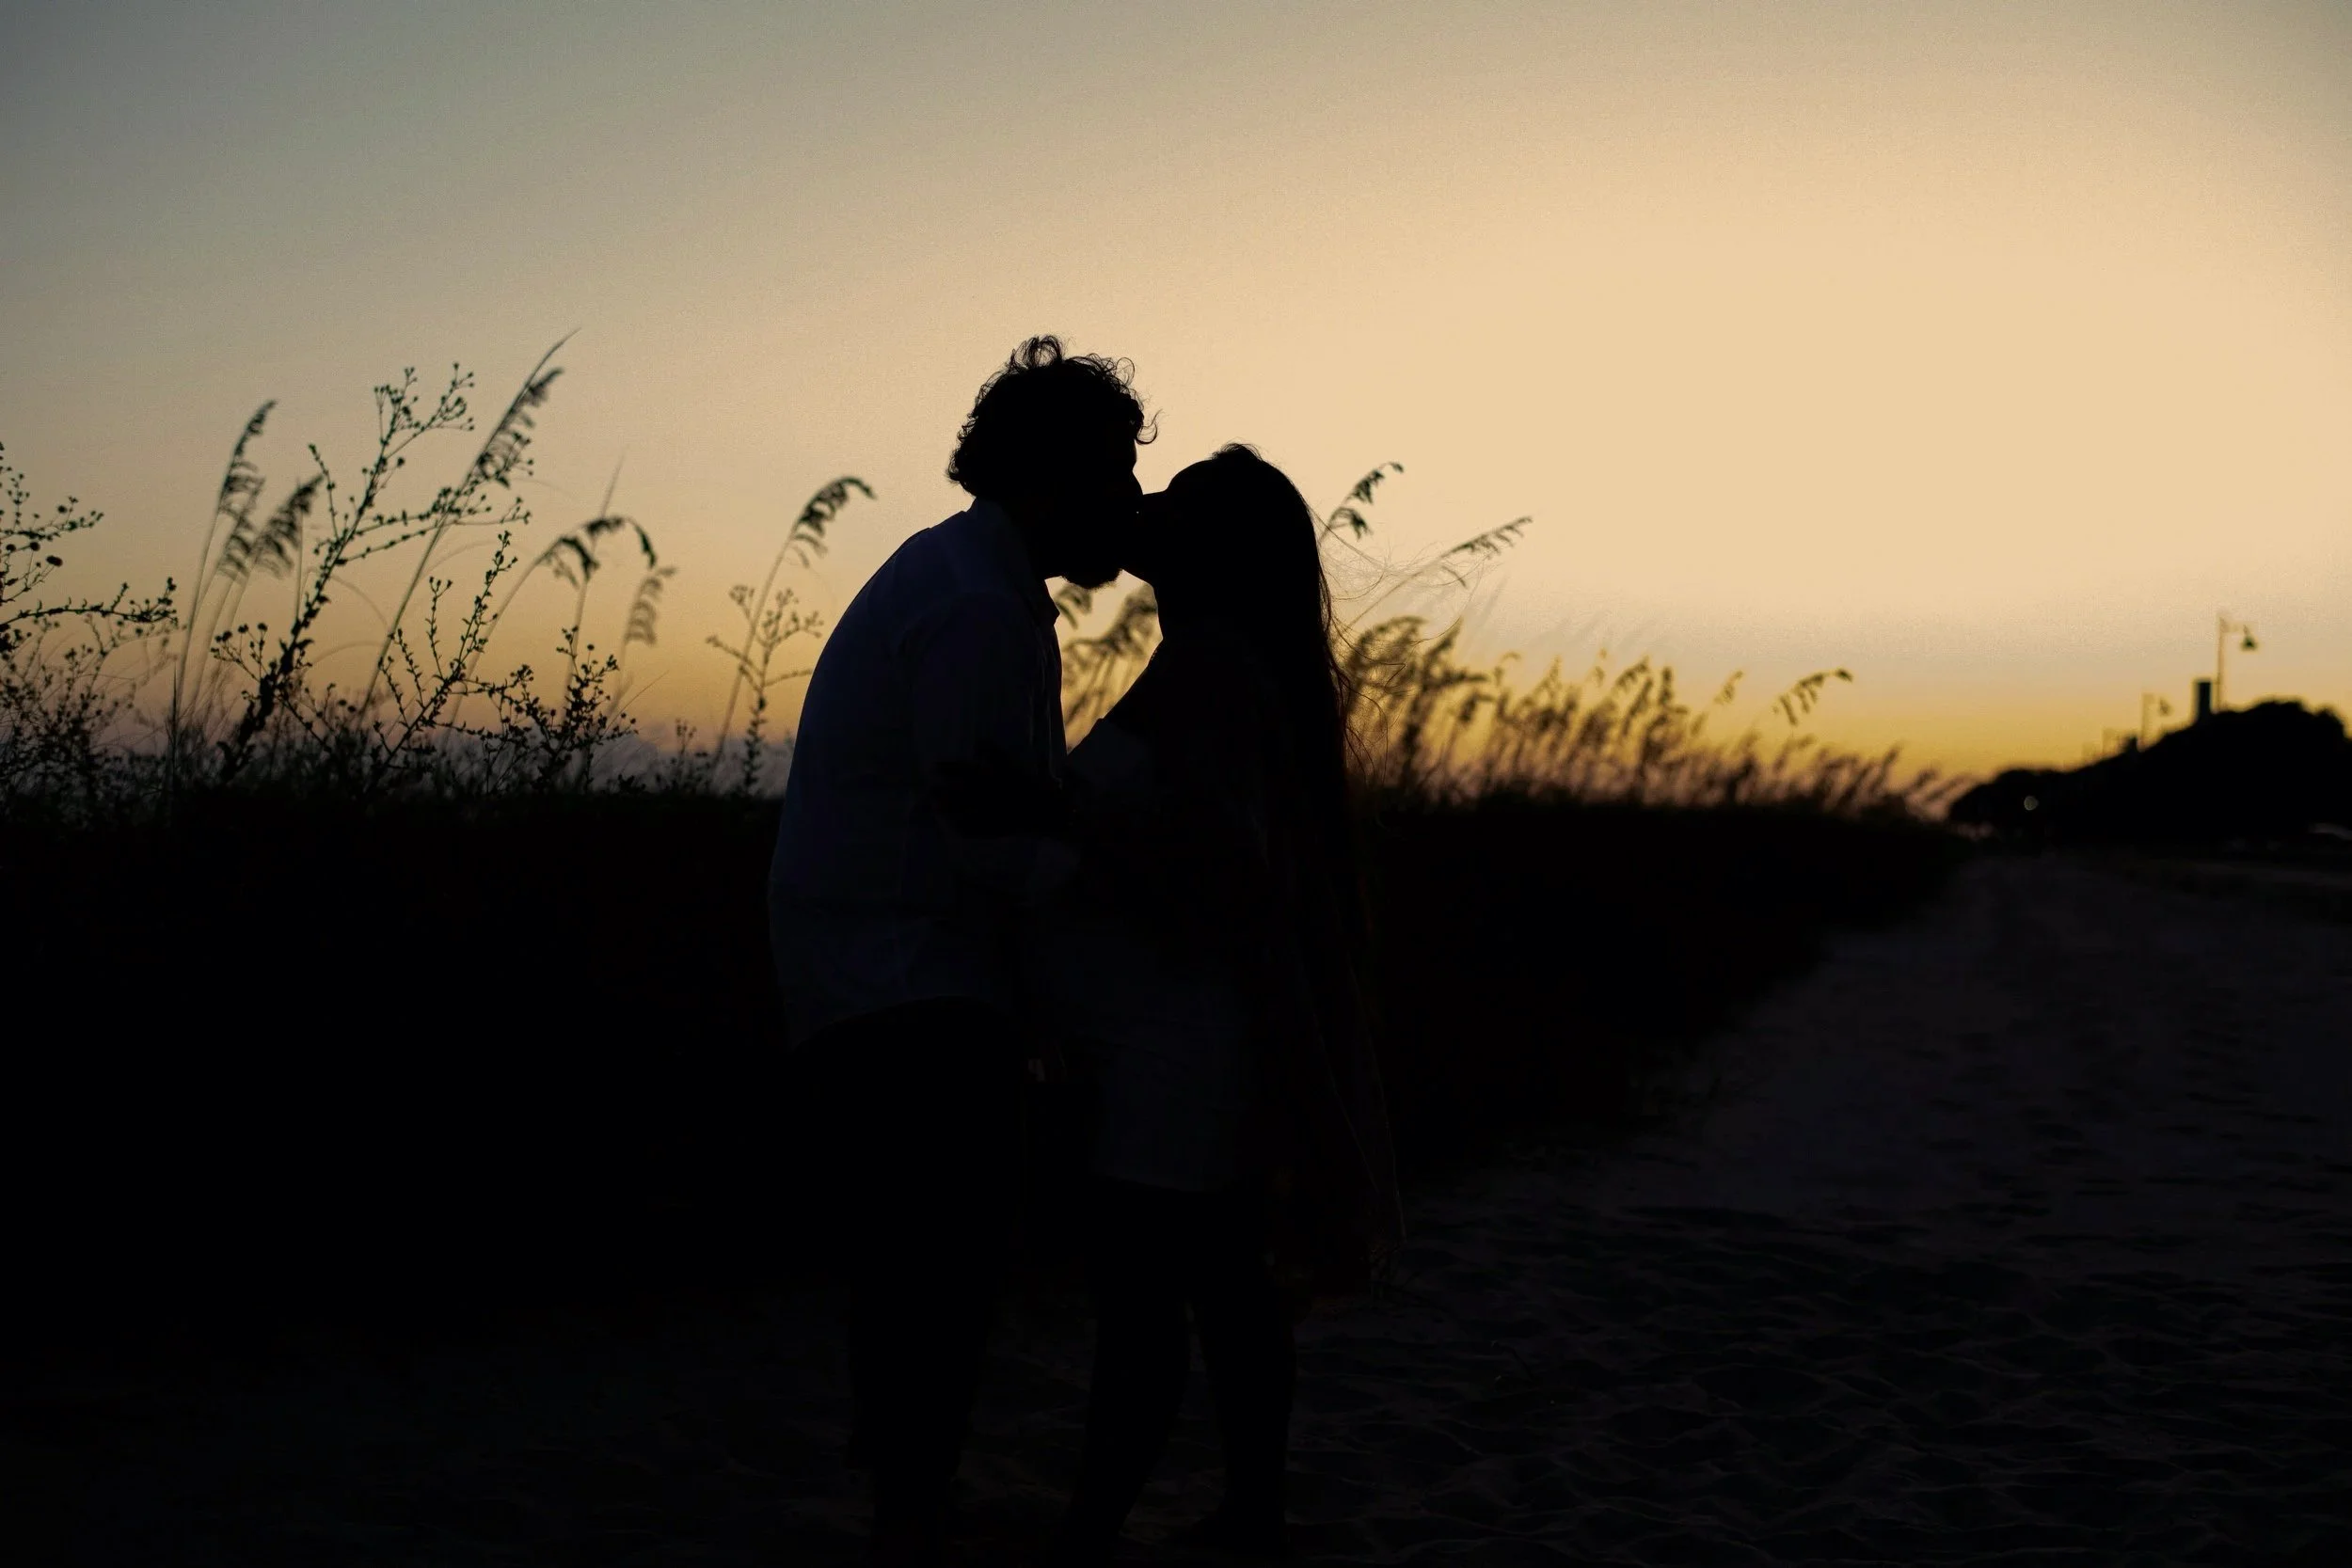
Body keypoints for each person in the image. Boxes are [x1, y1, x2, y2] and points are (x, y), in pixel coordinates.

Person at [769, 337, 1147, 1567]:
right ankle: (910, 1504)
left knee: (922, 1251)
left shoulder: (962, 578)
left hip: (880, 969)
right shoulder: (980, 611)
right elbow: (990, 842)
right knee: (945, 1250)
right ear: (1051, 477)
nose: (1131, 502)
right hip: (905, 977)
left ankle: (906, 1486)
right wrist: (1112, 882)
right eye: (1114, 474)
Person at [1030, 445, 1404, 1566]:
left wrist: (1058, 820)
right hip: (1191, 1044)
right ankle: (1250, 1515)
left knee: (1146, 1309)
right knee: (1225, 1291)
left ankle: (1093, 1535)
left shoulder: (1205, 672)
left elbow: (1216, 880)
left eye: (1177, 502)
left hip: (1170, 1056)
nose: (1145, 506)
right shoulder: (1225, 665)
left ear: (1215, 550)